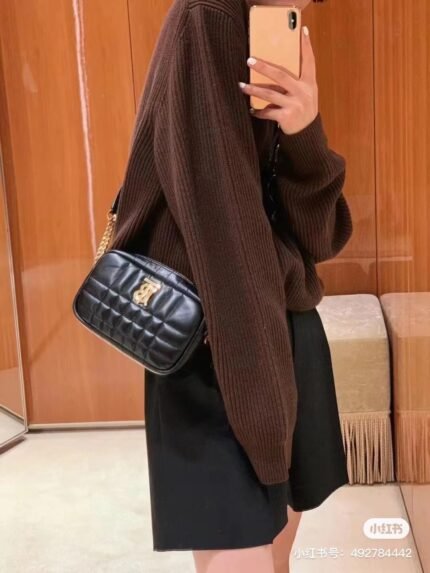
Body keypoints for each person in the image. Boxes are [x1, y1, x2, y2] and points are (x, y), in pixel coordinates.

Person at [109, 0, 353, 571]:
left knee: (278, 555)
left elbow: (318, 236)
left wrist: (303, 130)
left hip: (278, 331)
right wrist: (262, 404)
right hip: (219, 348)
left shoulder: (264, 25)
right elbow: (223, 231)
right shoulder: (208, 17)